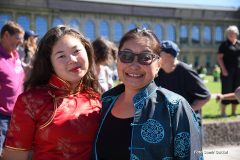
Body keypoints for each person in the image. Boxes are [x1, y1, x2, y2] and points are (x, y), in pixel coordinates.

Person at [92, 28, 203, 160]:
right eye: (126, 56)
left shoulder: (175, 107)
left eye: (145, 58)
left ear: (158, 64)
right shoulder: (105, 101)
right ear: (118, 60)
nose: (134, 65)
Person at [3, 25, 102, 160]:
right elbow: (14, 156)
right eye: (61, 56)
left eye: (76, 51)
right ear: (50, 63)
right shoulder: (30, 101)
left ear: (87, 51)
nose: (72, 59)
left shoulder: (99, 97)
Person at [154, 40, 210, 123]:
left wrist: (185, 112)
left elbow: (205, 96)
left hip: (188, 122)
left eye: (158, 53)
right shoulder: (158, 72)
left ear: (169, 56)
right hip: (168, 122)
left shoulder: (186, 71)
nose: (155, 56)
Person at [0, 21, 25, 156]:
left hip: (16, 115)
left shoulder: (16, 56)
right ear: (6, 35)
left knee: (11, 154)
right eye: (17, 39)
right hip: (1, 117)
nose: (20, 43)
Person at [217, 25, 240, 117]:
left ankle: (234, 112)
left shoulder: (239, 43)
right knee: (226, 90)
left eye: (233, 33)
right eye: (229, 33)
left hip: (238, 71)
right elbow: (219, 58)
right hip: (227, 71)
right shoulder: (224, 45)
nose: (231, 34)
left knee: (237, 91)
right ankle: (223, 112)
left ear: (236, 34)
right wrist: (223, 69)